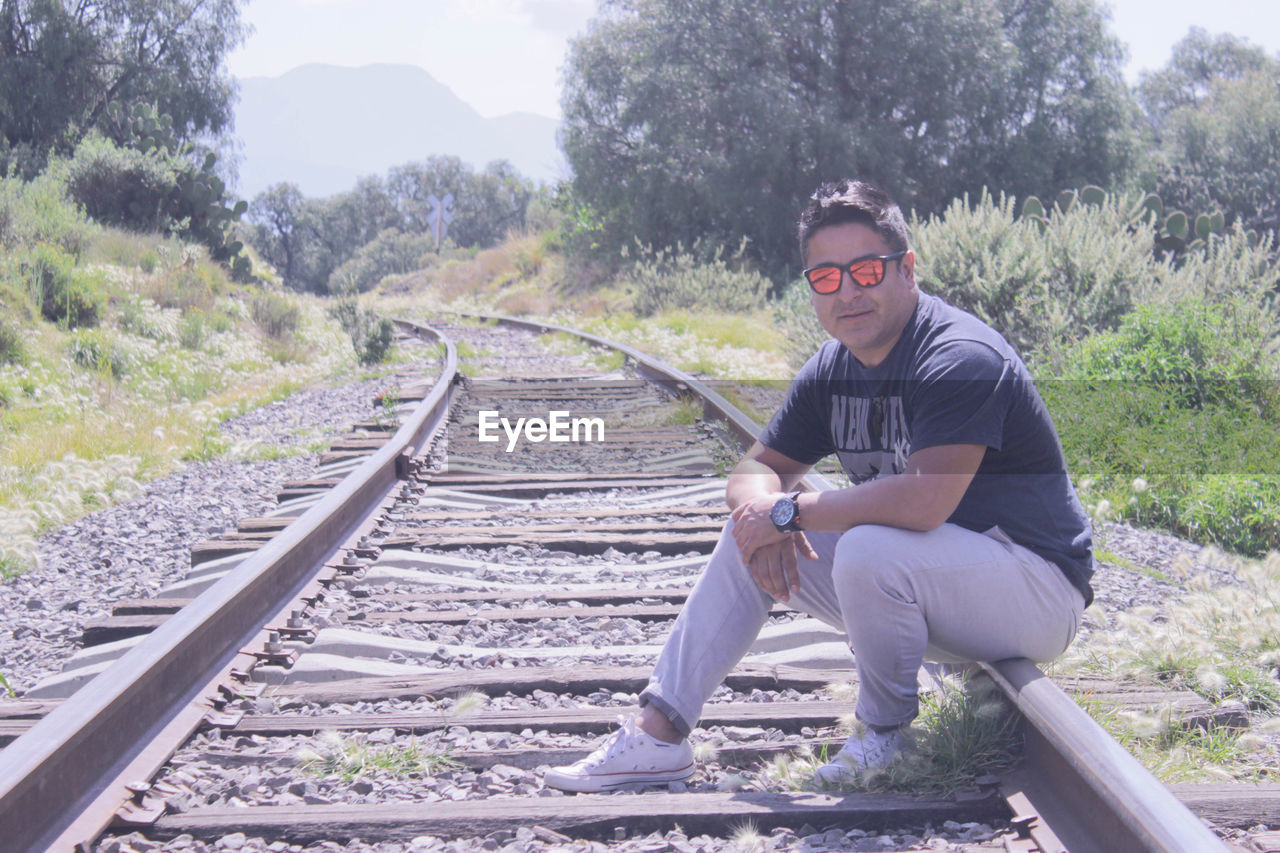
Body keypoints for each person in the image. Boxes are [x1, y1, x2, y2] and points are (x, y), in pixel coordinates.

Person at [543, 179, 1094, 792]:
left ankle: (884, 739)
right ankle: (657, 735)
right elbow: (755, 472)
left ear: (906, 269)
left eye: (865, 270)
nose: (848, 292)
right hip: (936, 586)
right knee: (746, 529)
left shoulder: (959, 356)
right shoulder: (833, 369)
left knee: (858, 542)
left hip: (1036, 589)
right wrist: (767, 519)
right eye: (826, 278)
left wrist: (789, 516)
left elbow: (921, 502)